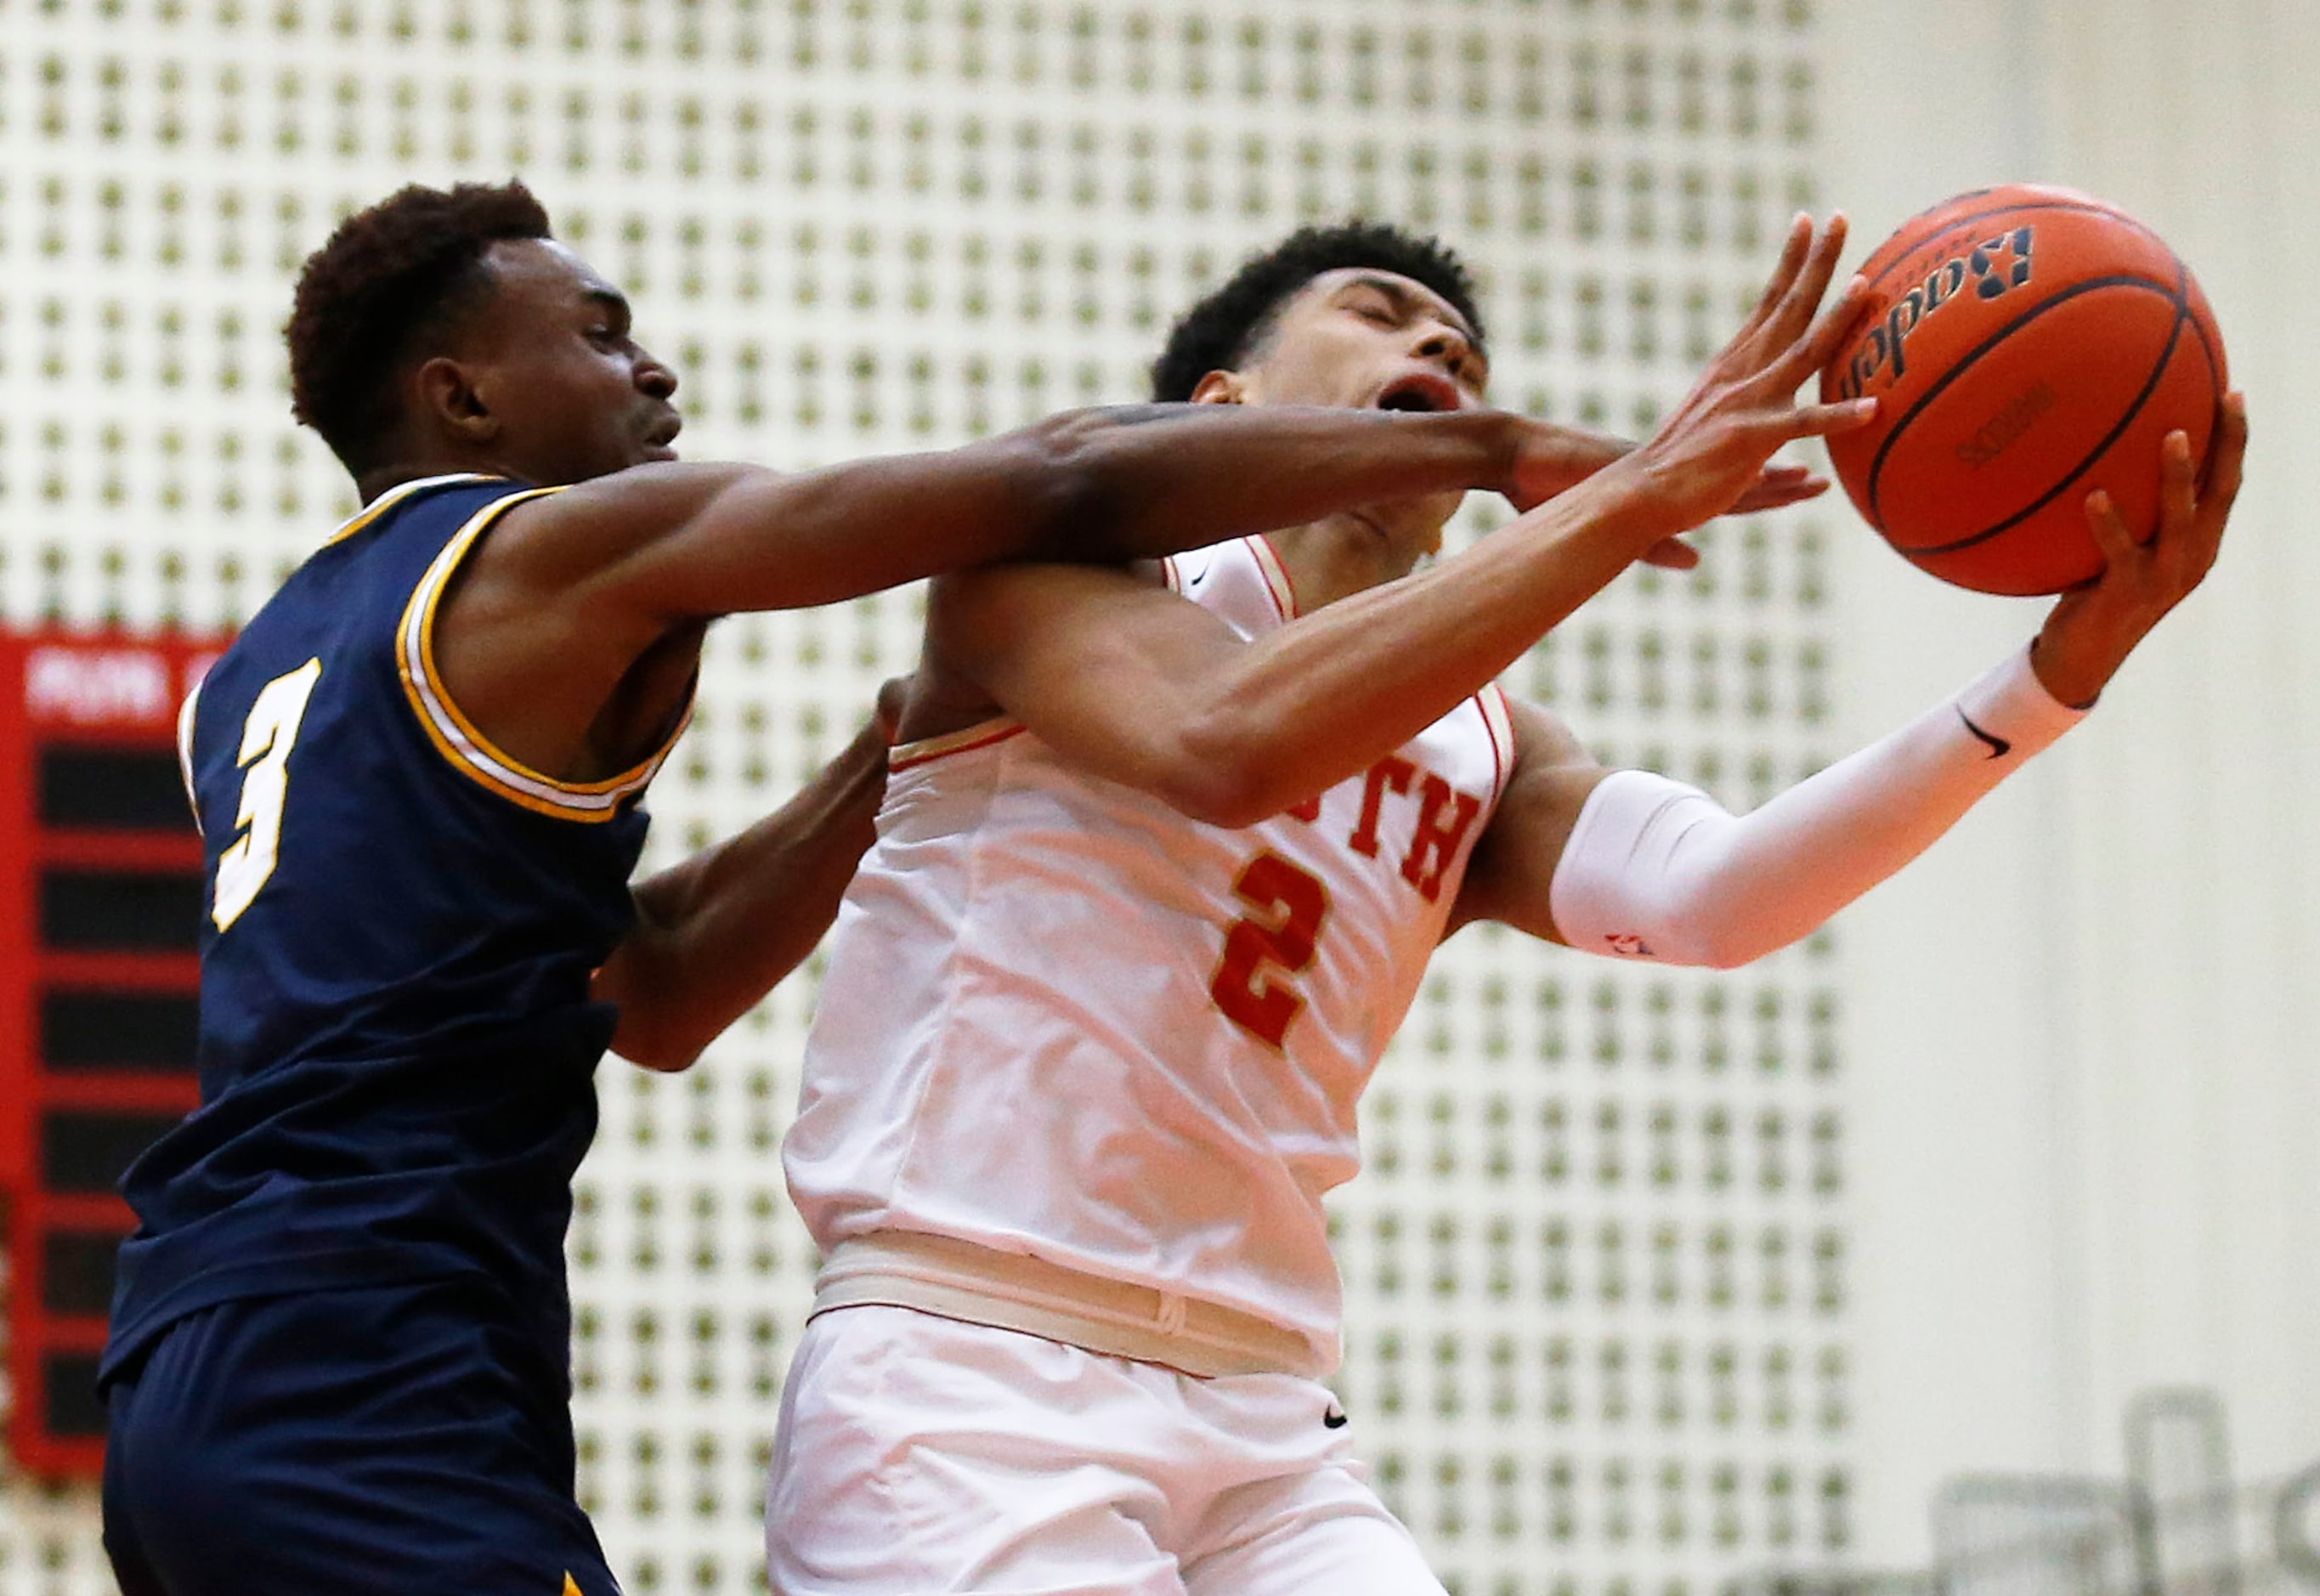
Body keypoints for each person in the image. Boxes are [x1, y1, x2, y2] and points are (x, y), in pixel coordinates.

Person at [93, 182, 1815, 1596]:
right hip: (371, 1359)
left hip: (187, 1357)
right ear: (460, 397)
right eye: (603, 337)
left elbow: (661, 985)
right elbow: (1059, 480)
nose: (658, 374)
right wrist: (1481, 451)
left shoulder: (254, 677)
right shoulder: (547, 547)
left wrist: (891, 760)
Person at [767, 215, 2247, 1594]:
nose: (1442, 354)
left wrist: (2051, 680)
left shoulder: (1483, 740)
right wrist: (1629, 498)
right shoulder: (1065, 569)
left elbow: (1712, 897)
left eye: (1466, 355)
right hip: (969, 1367)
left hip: (1267, 1419)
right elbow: (1223, 747)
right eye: (1380, 313)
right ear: (1225, 409)